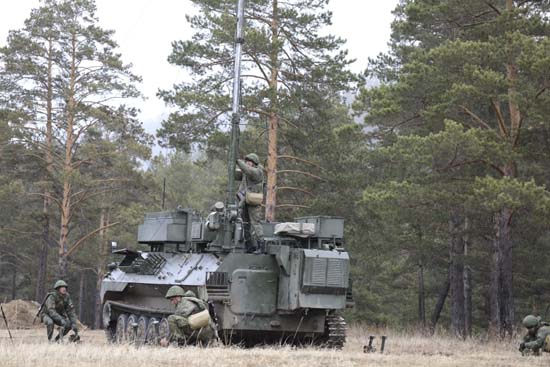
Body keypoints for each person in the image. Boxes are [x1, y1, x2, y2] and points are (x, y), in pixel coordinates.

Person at [236, 153, 264, 253]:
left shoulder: (257, 172)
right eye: (246, 161)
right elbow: (237, 174)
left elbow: (248, 170)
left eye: (250, 162)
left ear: (254, 163)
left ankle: (261, 245)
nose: (248, 163)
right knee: (245, 224)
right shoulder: (247, 172)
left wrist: (238, 161)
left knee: (255, 223)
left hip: (253, 201)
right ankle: (249, 246)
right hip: (244, 200)